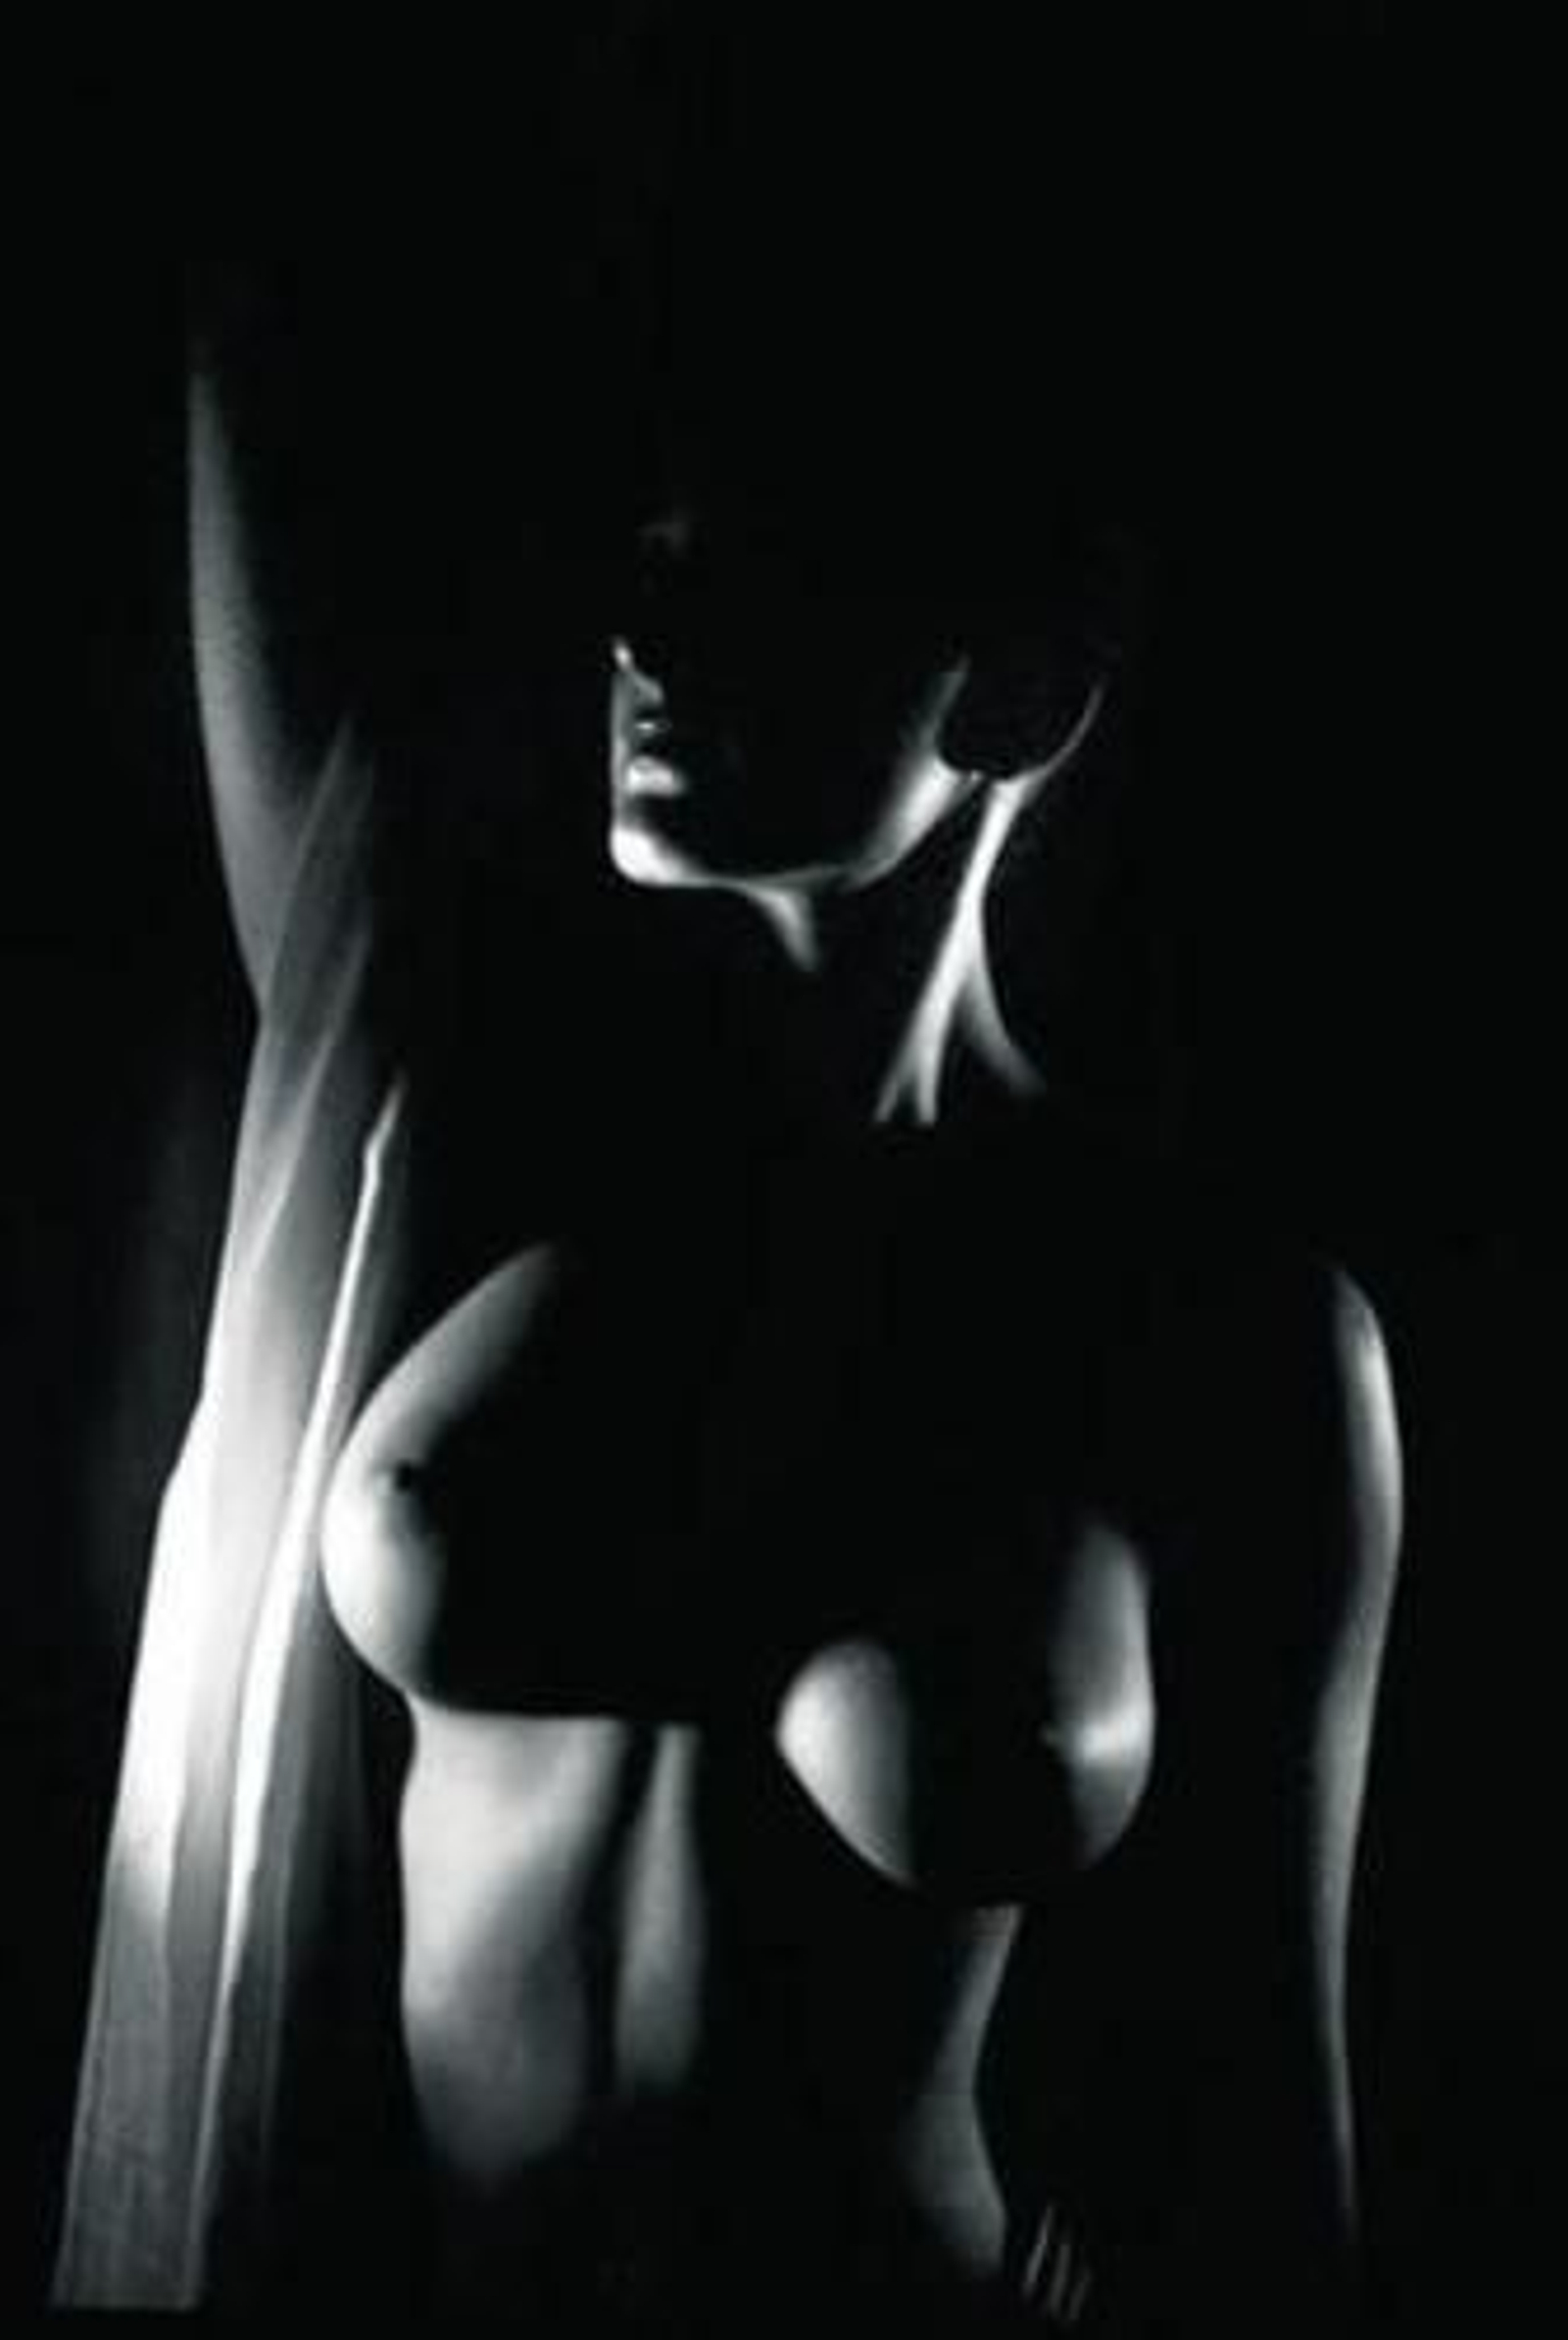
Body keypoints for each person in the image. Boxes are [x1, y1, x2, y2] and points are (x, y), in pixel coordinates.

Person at [54, 57, 1397, 2340]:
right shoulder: (445, 1116)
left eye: (769, 568)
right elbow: (239, 305)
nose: (647, 632)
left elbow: (1271, 2154)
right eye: (654, 558)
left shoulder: (1223, 1337)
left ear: (1023, 685)